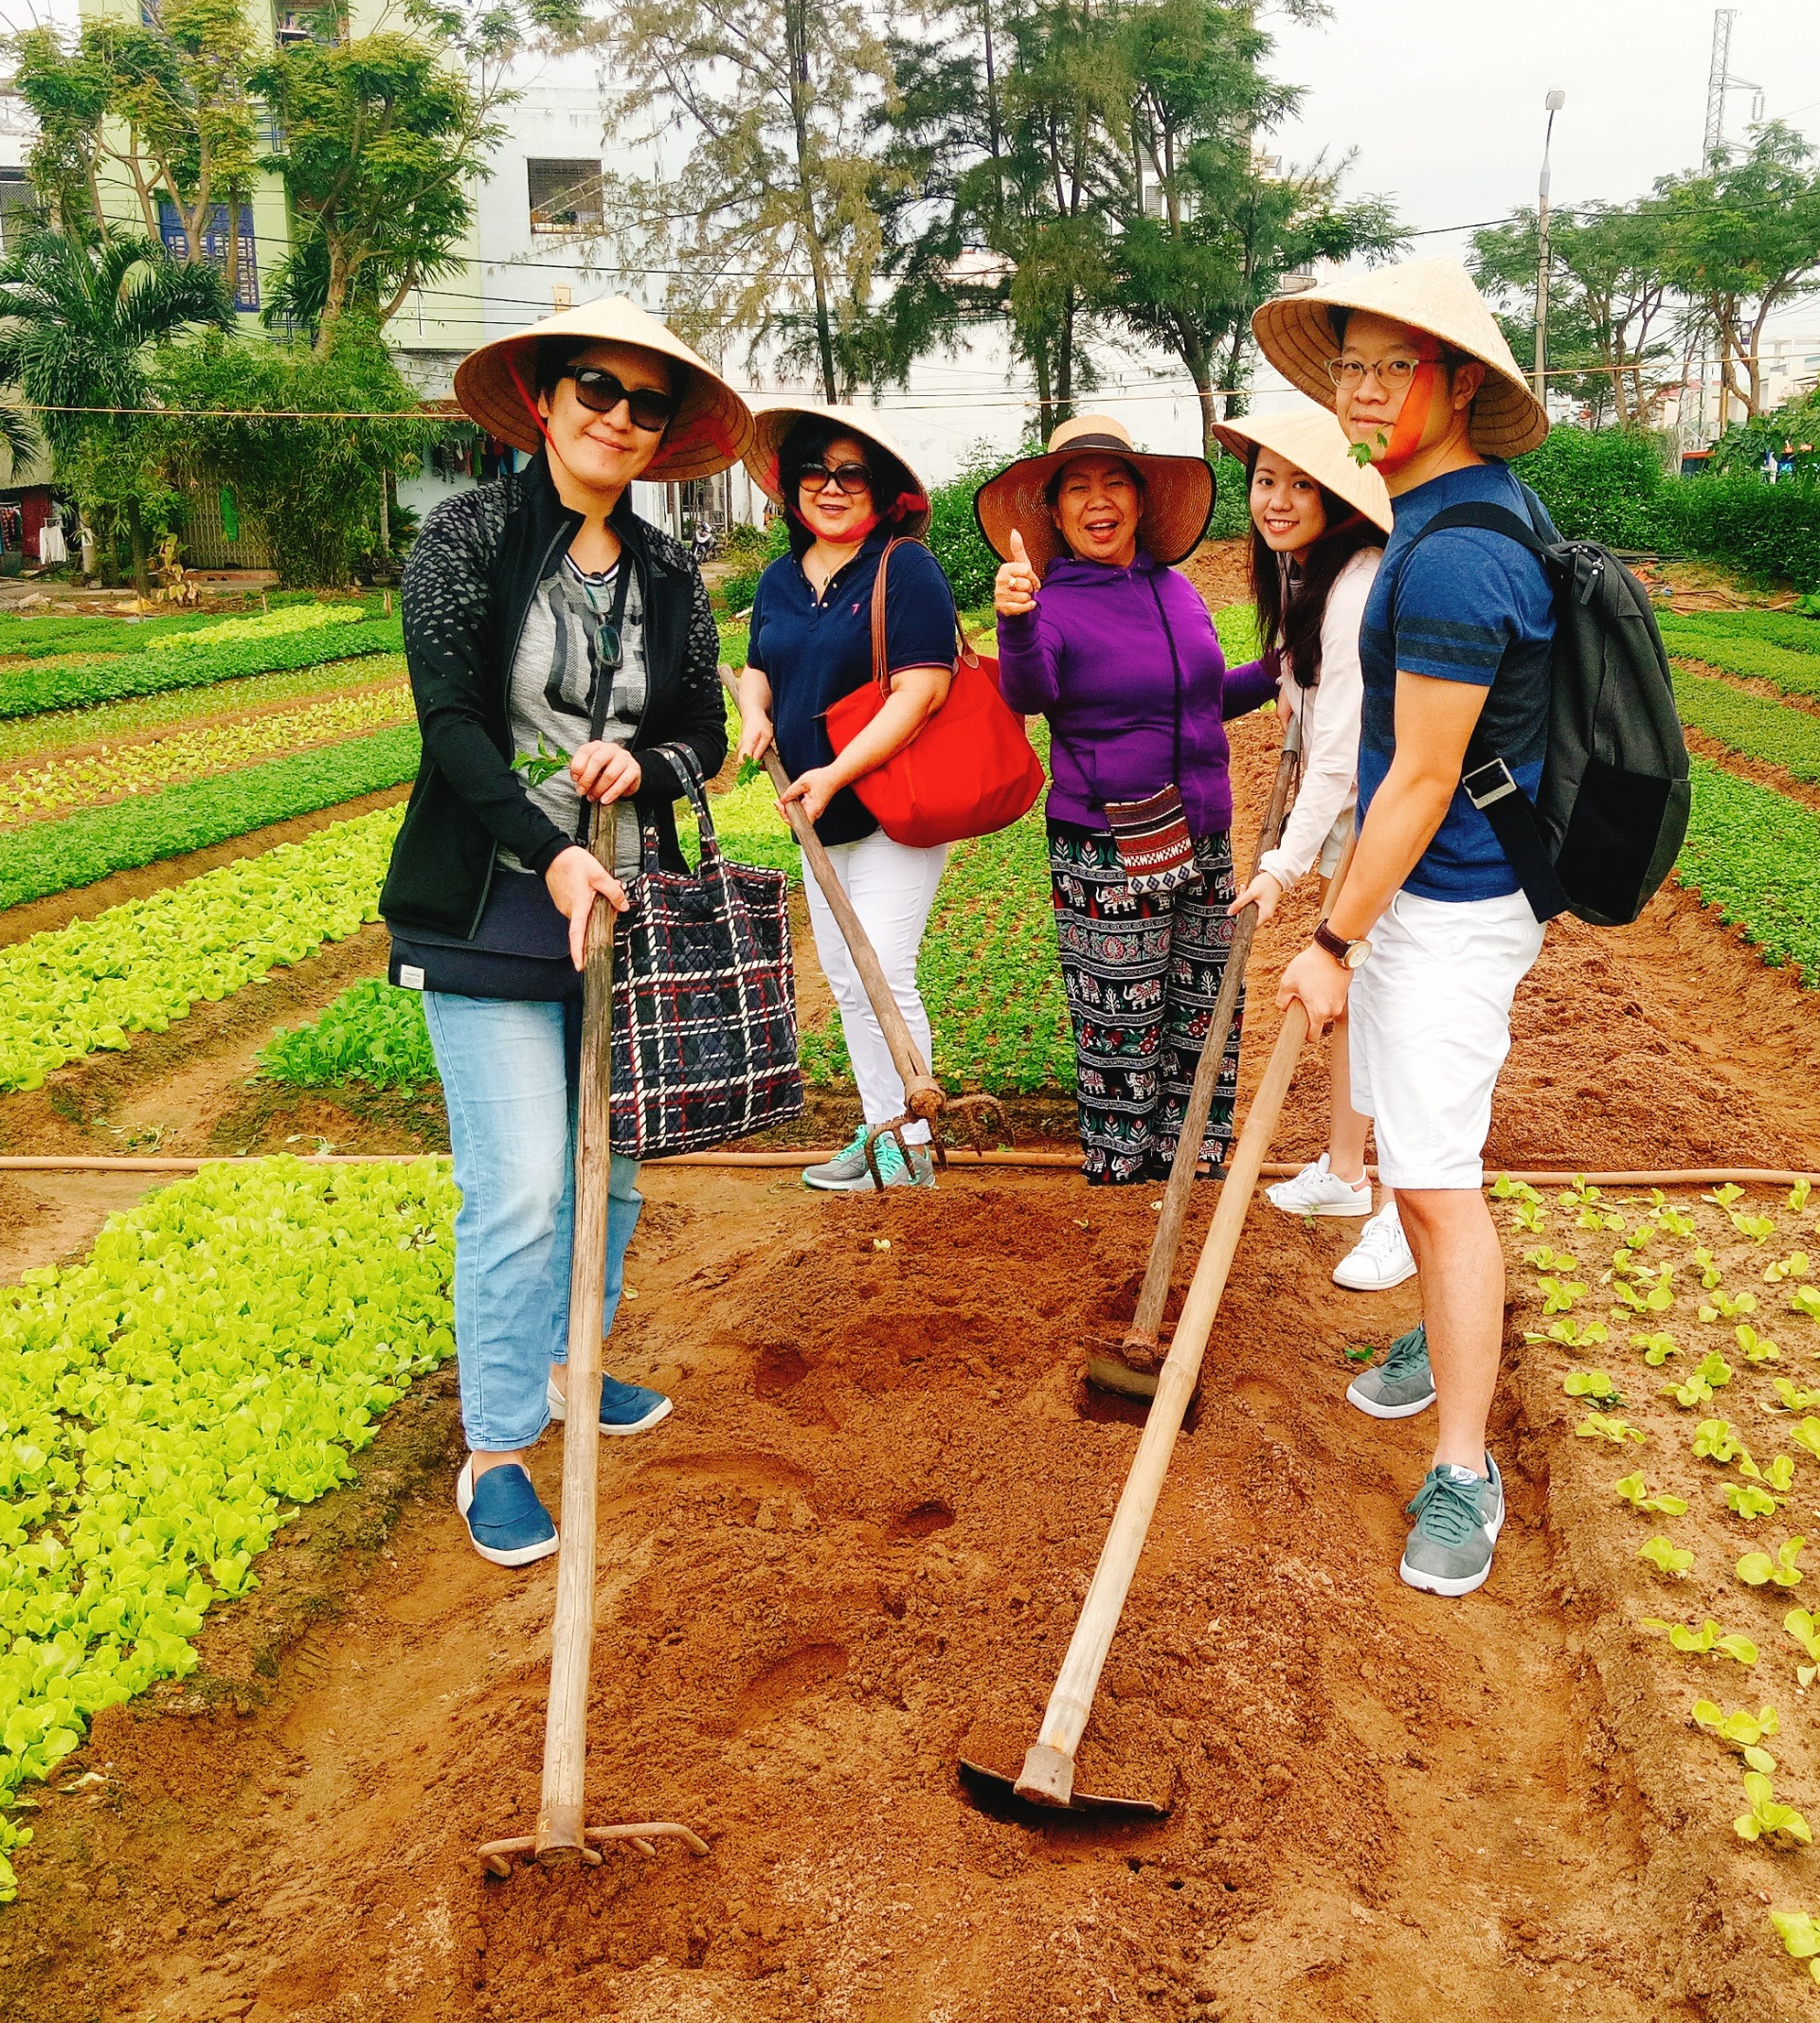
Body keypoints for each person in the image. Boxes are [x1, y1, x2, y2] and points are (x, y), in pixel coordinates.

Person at [381, 294, 747, 1568]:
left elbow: (701, 729)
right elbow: (451, 727)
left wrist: (640, 769)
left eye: (649, 405)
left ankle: (566, 1360)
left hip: (629, 902)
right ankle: (495, 1446)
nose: (622, 420)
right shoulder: (469, 535)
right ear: (543, 401)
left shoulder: (665, 567)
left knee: (619, 1167)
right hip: (491, 899)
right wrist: (550, 852)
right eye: (600, 391)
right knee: (525, 1182)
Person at [1253, 257, 1558, 1599]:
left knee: (1437, 1182)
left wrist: (1332, 938)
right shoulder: (1442, 510)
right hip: (1429, 897)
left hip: (1451, 904)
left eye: (1395, 366)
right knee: (1419, 1163)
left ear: (1461, 385)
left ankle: (1466, 1472)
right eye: (1351, 366)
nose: (1363, 390)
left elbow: (1424, 777)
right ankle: (1438, 1345)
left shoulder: (1456, 555)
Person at [982, 414, 1240, 1187]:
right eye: (1079, 488)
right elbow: (1030, 692)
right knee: (1123, 1020)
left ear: (1139, 498)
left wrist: (1287, 668)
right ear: (1055, 513)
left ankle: (1191, 1160)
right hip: (1108, 843)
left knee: (1205, 1009)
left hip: (1202, 830)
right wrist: (1015, 623)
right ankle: (1122, 1176)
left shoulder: (1177, 588)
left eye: (1115, 482)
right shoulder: (1051, 602)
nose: (1100, 501)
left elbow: (1197, 698)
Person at [733, 403, 957, 1192]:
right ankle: (883, 1137)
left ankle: (913, 1151)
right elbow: (760, 665)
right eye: (816, 472)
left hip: (891, 809)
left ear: (882, 488)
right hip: (815, 816)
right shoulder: (781, 578)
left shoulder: (904, 567)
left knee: (884, 971)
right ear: (793, 488)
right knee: (847, 976)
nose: (832, 487)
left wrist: (835, 772)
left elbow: (921, 691)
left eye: (851, 472)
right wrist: (756, 715)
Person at [1210, 407, 1410, 1293]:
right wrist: (1292, 684)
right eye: (1265, 481)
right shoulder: (1304, 576)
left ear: (1339, 496)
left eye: (1302, 484)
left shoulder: (1358, 580)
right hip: (1361, 824)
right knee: (1356, 1006)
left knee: (1399, 1017)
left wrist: (1279, 870)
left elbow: (1337, 759)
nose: (1278, 501)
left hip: (1397, 830)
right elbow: (1313, 704)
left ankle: (1406, 1215)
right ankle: (1344, 1172)